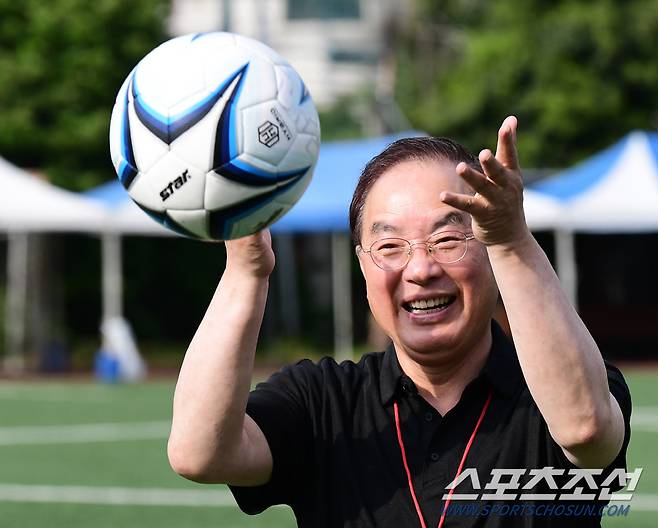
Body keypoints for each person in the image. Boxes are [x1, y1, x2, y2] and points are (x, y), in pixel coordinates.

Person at [167, 117, 631, 527]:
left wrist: (512, 241)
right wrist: (246, 270)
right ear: (363, 268)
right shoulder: (323, 403)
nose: (421, 268)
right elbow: (199, 452)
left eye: (448, 239)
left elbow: (584, 429)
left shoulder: (560, 392)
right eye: (389, 247)